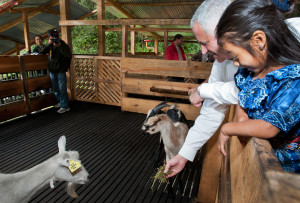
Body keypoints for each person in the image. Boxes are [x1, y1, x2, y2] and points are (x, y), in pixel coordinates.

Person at [164, 0, 300, 177]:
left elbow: (250, 97)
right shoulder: (230, 62)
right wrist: (185, 153)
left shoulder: (289, 52)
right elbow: (217, 107)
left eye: (205, 42)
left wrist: (206, 91)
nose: (203, 52)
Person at [216, 0, 300, 173]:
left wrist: (228, 128)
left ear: (259, 40)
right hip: (261, 161)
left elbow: (269, 127)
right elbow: (243, 95)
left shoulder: (293, 81)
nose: (237, 63)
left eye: (236, 56)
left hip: (288, 170)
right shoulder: (251, 72)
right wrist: (242, 115)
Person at [40, 29, 72, 114]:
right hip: (52, 70)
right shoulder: (50, 45)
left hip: (61, 69)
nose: (54, 38)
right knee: (55, 88)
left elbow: (68, 55)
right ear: (49, 38)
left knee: (62, 89)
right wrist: (48, 44)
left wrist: (60, 46)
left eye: (55, 36)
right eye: (52, 37)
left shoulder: (62, 44)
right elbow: (42, 52)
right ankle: (60, 102)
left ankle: (65, 106)